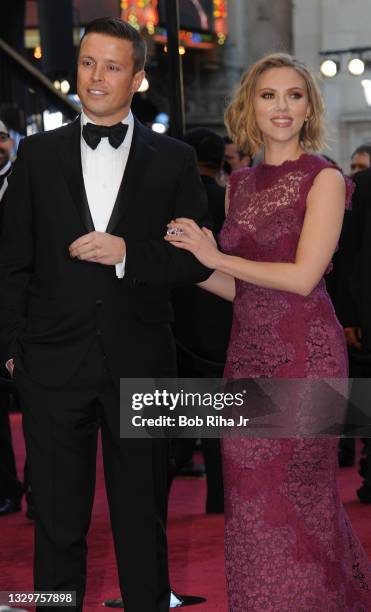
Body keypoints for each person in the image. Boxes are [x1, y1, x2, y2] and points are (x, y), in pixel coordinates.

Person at [0, 17, 210, 612]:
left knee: (142, 516)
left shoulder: (173, 159)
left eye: (113, 66)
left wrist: (128, 255)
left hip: (142, 360)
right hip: (49, 362)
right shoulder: (36, 155)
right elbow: (10, 261)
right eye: (89, 62)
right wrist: (12, 350)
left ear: (138, 78)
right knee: (58, 520)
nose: (96, 77)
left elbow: (195, 261)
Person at [165, 53, 371, 610]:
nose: (282, 107)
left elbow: (304, 279)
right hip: (247, 356)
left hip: (309, 357)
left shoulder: (325, 178)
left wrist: (217, 256)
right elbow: (243, 288)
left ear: (309, 108)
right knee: (250, 501)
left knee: (299, 499)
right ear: (249, 106)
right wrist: (185, 259)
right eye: (269, 95)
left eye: (294, 96)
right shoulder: (240, 184)